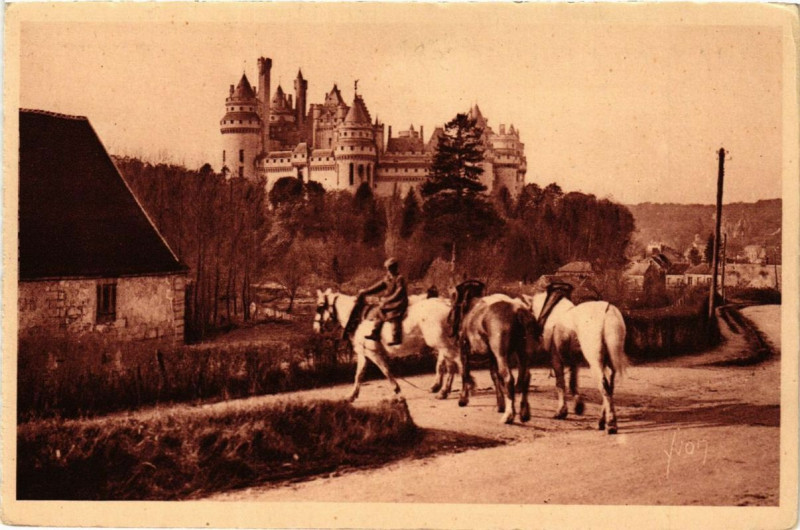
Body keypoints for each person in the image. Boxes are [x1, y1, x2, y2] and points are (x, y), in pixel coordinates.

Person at [359, 257, 408, 345]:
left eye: (390, 268)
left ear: (394, 268)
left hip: (399, 301)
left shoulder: (399, 278)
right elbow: (378, 286)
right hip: (390, 301)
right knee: (379, 311)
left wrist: (387, 300)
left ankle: (396, 337)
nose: (388, 270)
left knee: (394, 315)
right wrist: (366, 291)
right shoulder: (387, 278)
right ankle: (375, 333)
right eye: (387, 268)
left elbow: (399, 292)